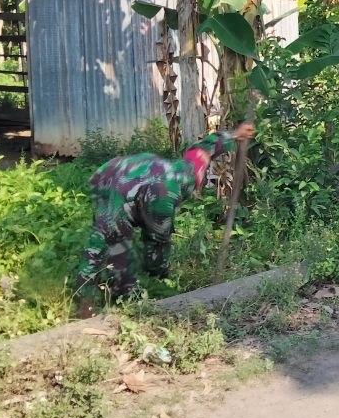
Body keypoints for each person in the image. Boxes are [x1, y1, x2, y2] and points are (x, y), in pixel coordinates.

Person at [77, 124, 256, 309]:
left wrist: (236, 134)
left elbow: (209, 145)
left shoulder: (188, 163)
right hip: (119, 187)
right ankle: (97, 299)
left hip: (108, 173)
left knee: (105, 232)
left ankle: (99, 288)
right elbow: (157, 238)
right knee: (116, 246)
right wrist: (159, 272)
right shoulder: (167, 193)